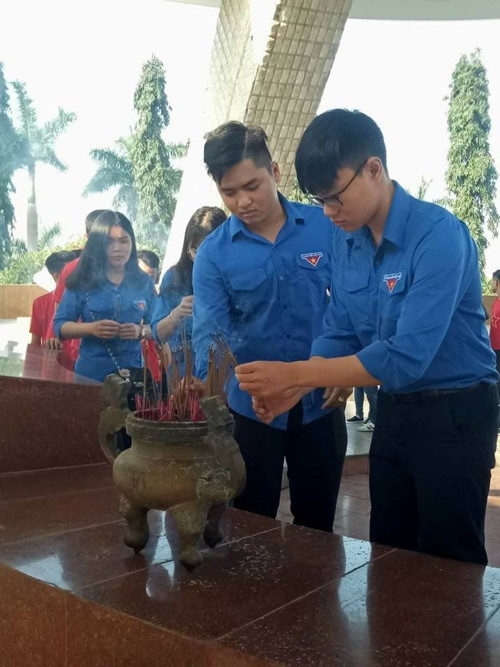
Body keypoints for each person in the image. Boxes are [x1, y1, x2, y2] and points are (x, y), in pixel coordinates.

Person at [235, 109, 499, 565]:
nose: (328, 213)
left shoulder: (438, 237)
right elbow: (340, 328)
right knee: (390, 548)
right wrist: (298, 388)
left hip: (455, 412)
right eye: (319, 200)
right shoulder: (347, 239)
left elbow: (405, 356)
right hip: (395, 412)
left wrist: (298, 374)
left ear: (373, 169)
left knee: (448, 557)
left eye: (334, 197)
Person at [191, 121, 348, 533]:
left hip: (320, 402)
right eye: (229, 193)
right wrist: (220, 389)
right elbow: (211, 333)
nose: (242, 201)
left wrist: (343, 368)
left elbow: (350, 305)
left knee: (317, 529)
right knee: (247, 527)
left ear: (275, 172)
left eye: (252, 185)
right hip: (251, 411)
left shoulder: (325, 226)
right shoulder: (213, 255)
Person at [53, 211, 156, 383]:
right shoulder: (83, 280)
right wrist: (91, 329)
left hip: (132, 375)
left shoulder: (144, 282)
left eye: (124, 240)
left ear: (132, 242)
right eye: (109, 242)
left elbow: (158, 326)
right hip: (90, 376)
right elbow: (59, 325)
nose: (117, 248)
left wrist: (140, 331)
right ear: (98, 245)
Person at [150, 206, 227, 375]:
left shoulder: (235, 278)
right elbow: (158, 333)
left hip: (222, 372)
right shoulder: (174, 277)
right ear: (188, 249)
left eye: (208, 249)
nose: (201, 257)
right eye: (195, 250)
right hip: (182, 372)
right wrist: (176, 314)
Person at [52, 209, 109, 368]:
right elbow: (59, 313)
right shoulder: (73, 269)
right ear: (87, 238)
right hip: (81, 352)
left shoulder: (125, 269)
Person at [29, 250, 80, 348]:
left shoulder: (86, 299)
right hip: (52, 359)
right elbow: (35, 343)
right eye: (70, 270)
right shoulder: (39, 303)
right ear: (57, 275)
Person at [489, 270, 500, 397]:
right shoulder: (496, 302)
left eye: (492, 281)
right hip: (494, 348)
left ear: (496, 282)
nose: (491, 284)